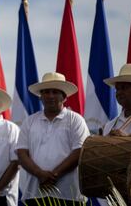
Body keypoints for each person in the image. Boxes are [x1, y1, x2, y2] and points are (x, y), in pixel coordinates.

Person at [16, 72, 89, 205]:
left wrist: (51, 176)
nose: (50, 96)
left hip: (69, 195)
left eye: (55, 92)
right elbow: (21, 153)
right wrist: (40, 174)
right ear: (41, 97)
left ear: (64, 97)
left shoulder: (76, 120)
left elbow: (80, 151)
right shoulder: (29, 121)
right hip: (35, 194)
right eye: (46, 92)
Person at [102, 64, 131, 136]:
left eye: (124, 88)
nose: (119, 92)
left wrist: (124, 140)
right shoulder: (109, 126)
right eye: (117, 89)